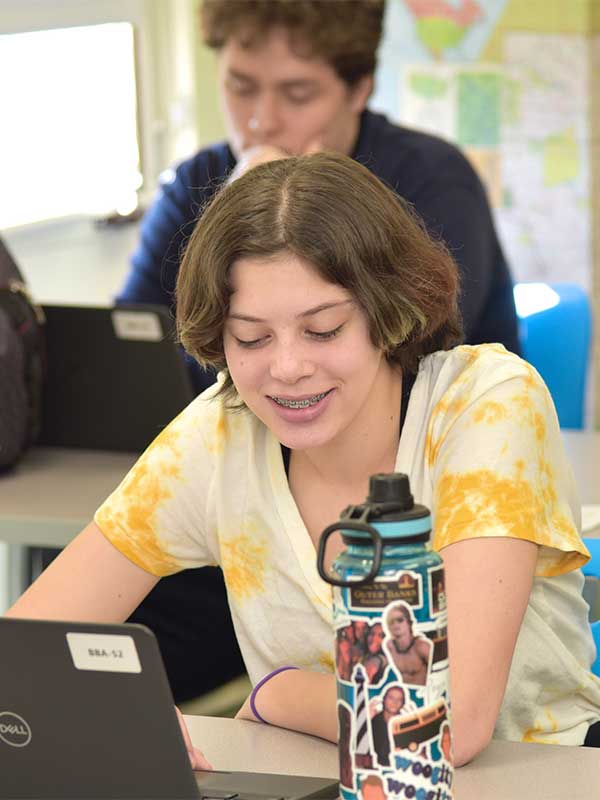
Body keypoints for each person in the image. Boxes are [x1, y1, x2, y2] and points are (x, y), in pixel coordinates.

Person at [7, 153, 600, 770]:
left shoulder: (484, 403)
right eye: (251, 337)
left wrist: (278, 694)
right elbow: (24, 653)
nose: (287, 367)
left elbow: (448, 724)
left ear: (388, 312)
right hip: (321, 776)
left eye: (323, 330)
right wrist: (116, 712)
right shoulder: (220, 433)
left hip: (534, 775)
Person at [117, 0, 522, 706]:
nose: (262, 120)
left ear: (359, 89)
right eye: (241, 85)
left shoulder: (429, 179)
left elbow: (425, 341)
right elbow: (137, 354)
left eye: (296, 93)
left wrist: (276, 697)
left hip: (420, 522)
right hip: (253, 502)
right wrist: (239, 217)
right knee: (99, 656)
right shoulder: (202, 182)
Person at [383, 602, 432, 686]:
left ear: (409, 623)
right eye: (391, 622)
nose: (396, 624)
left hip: (424, 694)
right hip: (405, 694)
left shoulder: (422, 646)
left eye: (400, 620)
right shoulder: (389, 646)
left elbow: (438, 672)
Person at [370, 685, 407, 767]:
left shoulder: (405, 724)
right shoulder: (374, 720)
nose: (395, 702)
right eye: (391, 698)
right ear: (384, 699)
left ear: (403, 703)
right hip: (373, 768)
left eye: (399, 699)